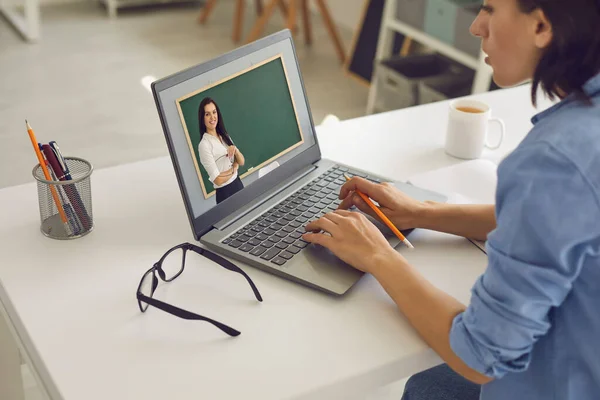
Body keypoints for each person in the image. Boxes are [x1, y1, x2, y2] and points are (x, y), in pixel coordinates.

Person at [302, 0, 600, 399]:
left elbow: (480, 355)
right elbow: (565, 218)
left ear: (542, 26)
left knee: (423, 386)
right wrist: (421, 211)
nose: (476, 27)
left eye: (490, 9)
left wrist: (377, 255)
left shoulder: (554, 160)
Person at [197, 97, 246, 204]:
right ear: (202, 118)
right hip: (225, 193)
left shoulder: (224, 136)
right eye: (207, 114)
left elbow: (242, 162)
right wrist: (234, 168)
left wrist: (236, 151)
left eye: (214, 112)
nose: (212, 117)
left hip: (238, 184)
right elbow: (218, 180)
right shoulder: (204, 145)